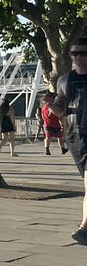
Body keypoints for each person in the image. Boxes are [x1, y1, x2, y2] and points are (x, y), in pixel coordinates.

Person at [48, 39, 87, 245]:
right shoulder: (64, 80)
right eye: (75, 54)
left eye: (83, 53)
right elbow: (61, 110)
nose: (79, 57)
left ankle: (84, 228)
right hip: (75, 137)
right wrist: (49, 104)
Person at [41, 91, 67, 156]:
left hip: (47, 124)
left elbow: (43, 116)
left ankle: (47, 149)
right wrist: (62, 124)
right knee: (60, 137)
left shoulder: (44, 108)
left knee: (48, 138)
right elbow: (58, 115)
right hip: (55, 124)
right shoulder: (51, 106)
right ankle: (62, 149)